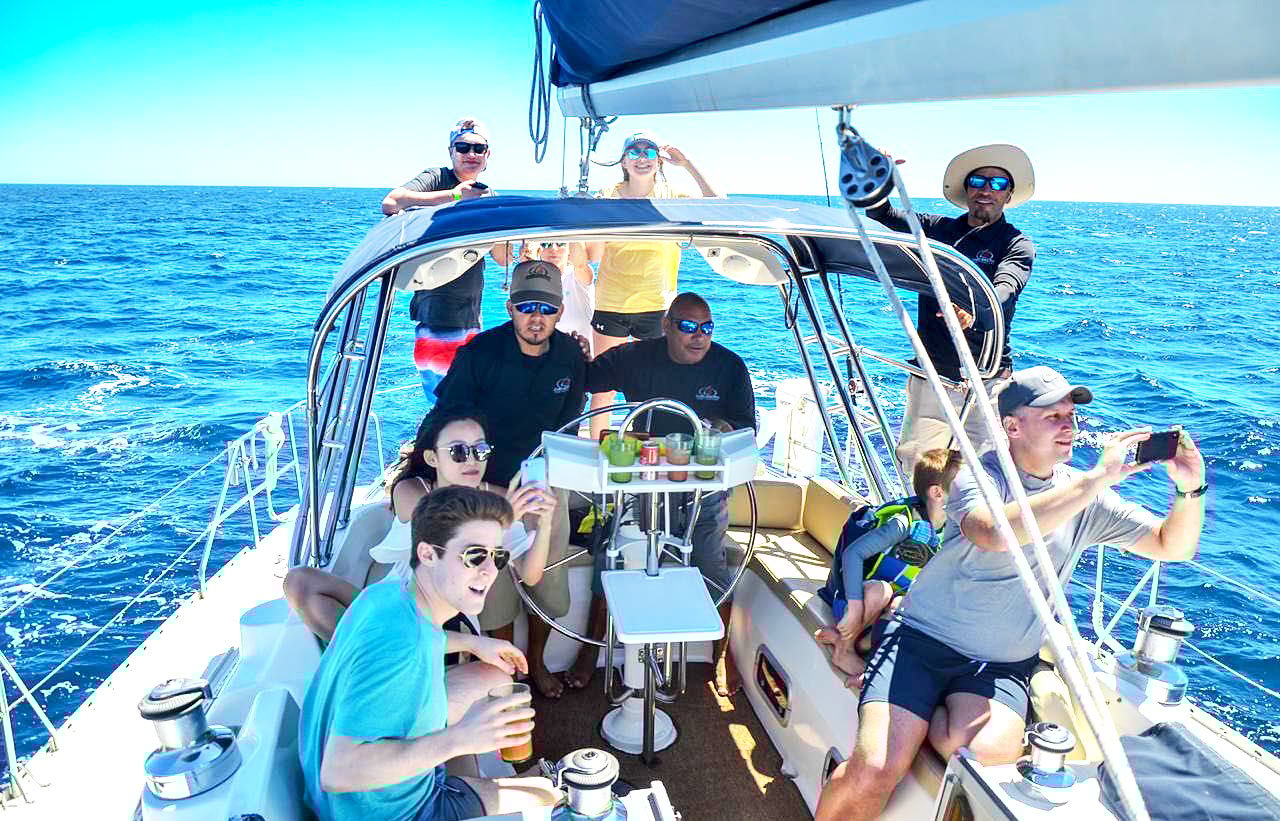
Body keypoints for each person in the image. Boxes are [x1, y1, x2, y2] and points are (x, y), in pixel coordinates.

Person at [815, 366, 1206, 821]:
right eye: (1052, 415)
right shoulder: (975, 475)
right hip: (919, 645)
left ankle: (907, 703)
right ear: (1012, 426)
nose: (1068, 424)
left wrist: (1189, 487)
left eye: (1071, 415)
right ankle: (896, 697)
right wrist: (1094, 480)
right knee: (875, 771)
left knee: (987, 766)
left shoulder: (1086, 500)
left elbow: (1170, 545)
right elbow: (993, 532)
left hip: (998, 667)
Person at [299, 485, 561, 821]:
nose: (489, 571)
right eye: (474, 555)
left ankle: (474, 782)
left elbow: (424, 638)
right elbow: (338, 773)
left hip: (337, 801)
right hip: (403, 812)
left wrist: (475, 643)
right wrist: (460, 739)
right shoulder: (401, 649)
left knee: (490, 676)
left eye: (498, 556)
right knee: (551, 796)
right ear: (427, 554)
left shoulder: (386, 598)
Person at [566, 292, 756, 697]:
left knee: (708, 560)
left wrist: (714, 427)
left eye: (706, 328)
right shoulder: (635, 357)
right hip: (641, 479)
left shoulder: (729, 367)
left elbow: (744, 429)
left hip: (704, 485)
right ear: (667, 325)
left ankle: (724, 653)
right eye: (688, 326)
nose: (699, 336)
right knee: (609, 554)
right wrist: (571, 350)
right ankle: (589, 649)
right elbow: (585, 379)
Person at [432, 259, 588, 698]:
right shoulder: (479, 353)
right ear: (510, 307)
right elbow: (448, 417)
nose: (536, 317)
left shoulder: (571, 355)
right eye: (526, 306)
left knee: (546, 584)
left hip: (543, 489)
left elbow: (570, 423)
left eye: (546, 307)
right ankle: (505, 669)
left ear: (560, 311)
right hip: (485, 491)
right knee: (493, 588)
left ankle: (535, 663)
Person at [282, 410, 557, 644]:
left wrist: (543, 524)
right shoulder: (411, 490)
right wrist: (506, 517)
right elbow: (443, 526)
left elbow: (529, 575)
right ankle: (360, 648)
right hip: (391, 599)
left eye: (480, 450)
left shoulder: (497, 502)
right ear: (432, 458)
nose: (472, 459)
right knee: (299, 581)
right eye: (459, 451)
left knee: (392, 641)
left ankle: (365, 649)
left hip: (441, 617)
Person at [865, 144, 1036, 473]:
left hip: (987, 380)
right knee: (918, 469)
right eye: (978, 181)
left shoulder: (1016, 244)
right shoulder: (936, 230)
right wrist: (875, 181)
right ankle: (921, 526)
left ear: (1009, 194)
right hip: (933, 373)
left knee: (984, 474)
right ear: (966, 188)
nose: (987, 190)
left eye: (998, 184)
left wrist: (976, 310)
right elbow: (882, 215)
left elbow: (1006, 288)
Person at [585, 132, 719, 439]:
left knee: (647, 394)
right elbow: (594, 254)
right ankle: (597, 454)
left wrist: (689, 165)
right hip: (611, 304)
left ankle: (643, 457)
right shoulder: (607, 196)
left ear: (659, 160)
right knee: (603, 388)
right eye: (634, 151)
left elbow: (718, 206)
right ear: (623, 161)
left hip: (657, 308)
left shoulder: (673, 196)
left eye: (649, 151)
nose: (642, 157)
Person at [380, 118, 514, 400]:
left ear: (488, 155)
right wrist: (455, 196)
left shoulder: (489, 197)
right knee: (446, 396)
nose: (471, 154)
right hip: (436, 310)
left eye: (479, 148)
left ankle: (443, 440)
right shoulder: (436, 178)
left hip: (470, 314)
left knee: (464, 392)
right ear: (451, 151)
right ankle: (437, 440)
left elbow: (502, 259)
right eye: (463, 147)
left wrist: (506, 228)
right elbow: (392, 202)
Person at [814, 448, 963, 687]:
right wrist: (853, 609)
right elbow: (853, 555)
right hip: (857, 599)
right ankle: (844, 649)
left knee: (904, 607)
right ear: (937, 493)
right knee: (881, 591)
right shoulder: (904, 522)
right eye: (964, 487)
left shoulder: (951, 527)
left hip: (888, 607)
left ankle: (856, 645)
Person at [526, 240, 595, 350]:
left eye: (561, 243)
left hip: (581, 356)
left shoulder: (576, 275)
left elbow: (580, 264)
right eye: (546, 244)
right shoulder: (533, 280)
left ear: (569, 250)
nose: (553, 248)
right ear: (539, 251)